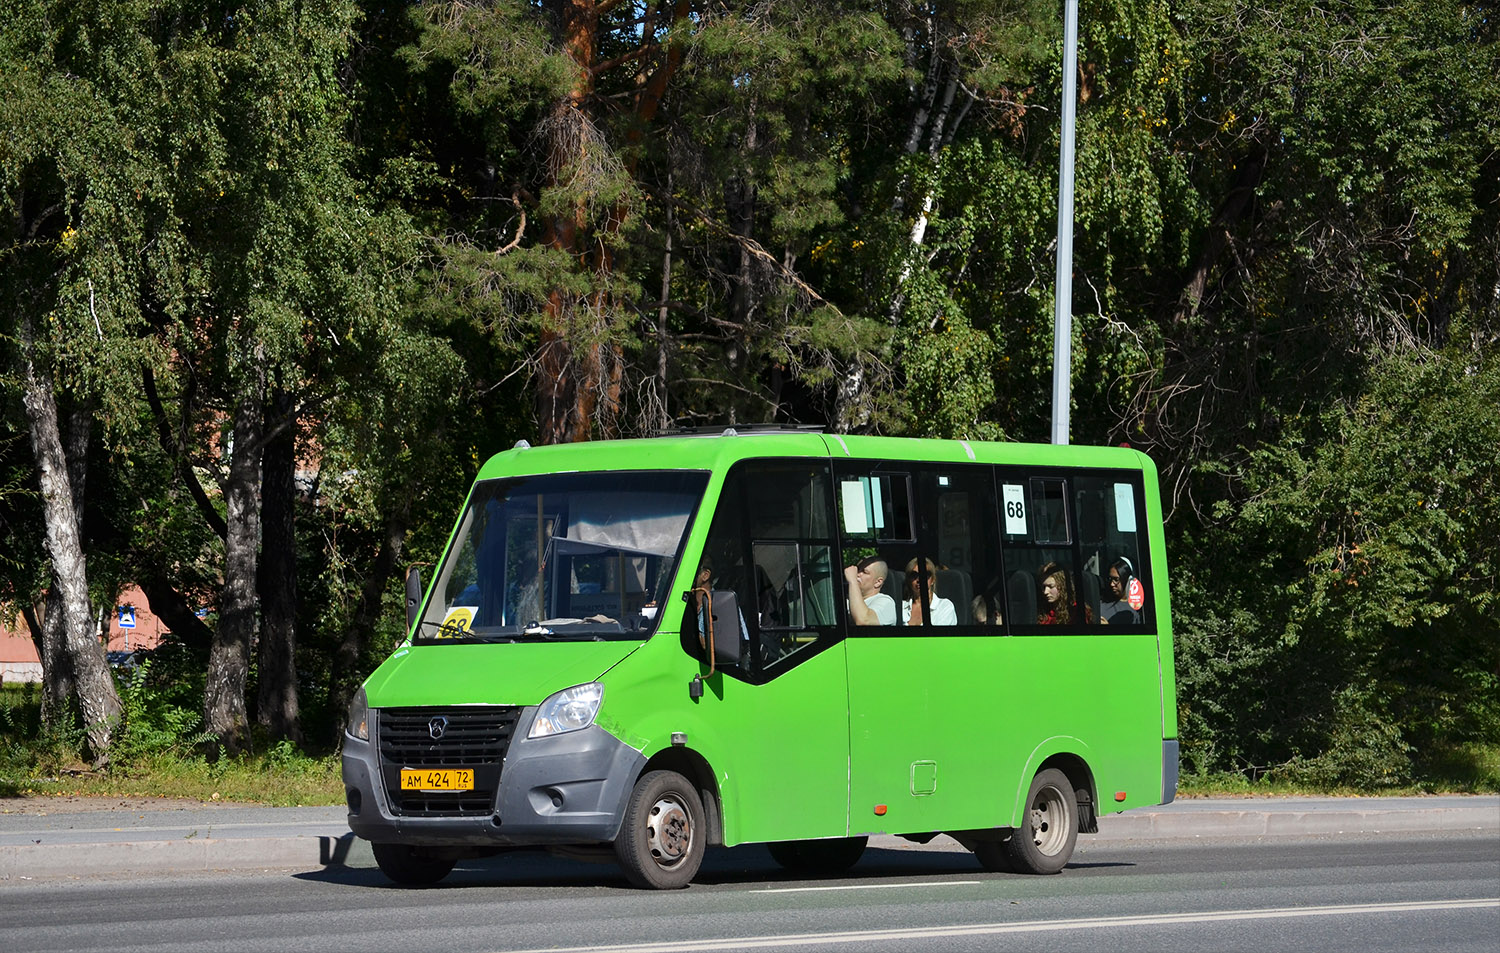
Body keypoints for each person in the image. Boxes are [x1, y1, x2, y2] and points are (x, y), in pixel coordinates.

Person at [901, 556, 957, 626]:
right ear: (909, 580)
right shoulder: (901, 607)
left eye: (925, 575)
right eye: (914, 575)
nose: (919, 579)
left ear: (933, 580)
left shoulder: (945, 606)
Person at [844, 556, 897, 625]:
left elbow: (863, 620)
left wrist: (853, 581)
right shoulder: (847, 600)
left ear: (878, 582)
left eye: (864, 572)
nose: (857, 574)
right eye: (858, 570)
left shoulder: (886, 602)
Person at [1099, 557, 1141, 625]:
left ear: (1128, 580)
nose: (1112, 584)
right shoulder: (1101, 605)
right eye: (1110, 579)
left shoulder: (1136, 608)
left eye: (1116, 580)